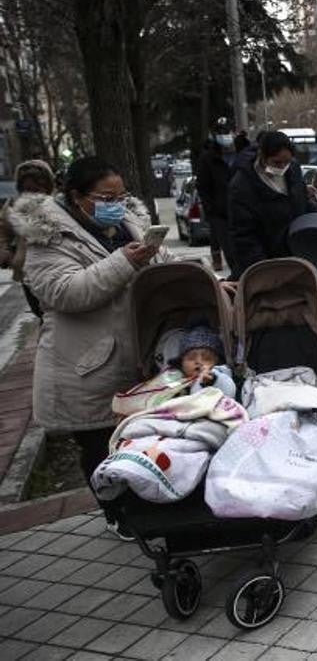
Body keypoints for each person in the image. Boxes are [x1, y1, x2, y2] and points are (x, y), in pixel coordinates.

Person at [10, 156, 168, 537]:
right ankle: (117, 514)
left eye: (121, 194)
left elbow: (161, 261)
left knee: (135, 438)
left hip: (134, 355)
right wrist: (123, 263)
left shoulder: (127, 222)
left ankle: (146, 507)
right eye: (106, 196)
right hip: (83, 365)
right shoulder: (47, 237)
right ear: (77, 196)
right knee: (99, 447)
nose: (117, 202)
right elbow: (65, 292)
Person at [227, 131, 317, 278]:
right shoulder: (242, 185)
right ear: (262, 156)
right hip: (264, 264)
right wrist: (266, 271)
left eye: (286, 162)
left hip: (296, 259)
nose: (282, 167)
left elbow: (302, 205)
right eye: (276, 162)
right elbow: (243, 237)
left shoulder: (293, 170)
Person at [0, 159, 57, 318]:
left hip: (57, 265)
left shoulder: (58, 204)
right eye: (27, 190)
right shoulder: (12, 206)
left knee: (56, 310)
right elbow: (3, 232)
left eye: (37, 189)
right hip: (28, 269)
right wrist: (6, 254)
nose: (32, 194)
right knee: (40, 312)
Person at [196, 129, 236, 273]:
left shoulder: (239, 154)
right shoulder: (208, 159)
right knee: (230, 251)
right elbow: (203, 186)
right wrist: (211, 210)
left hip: (240, 211)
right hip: (220, 213)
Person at [176, 325, 237, 399]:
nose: (199, 361)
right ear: (182, 362)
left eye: (207, 358)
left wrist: (211, 381)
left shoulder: (219, 377)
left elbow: (228, 391)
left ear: (217, 362)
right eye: (191, 358)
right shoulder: (174, 379)